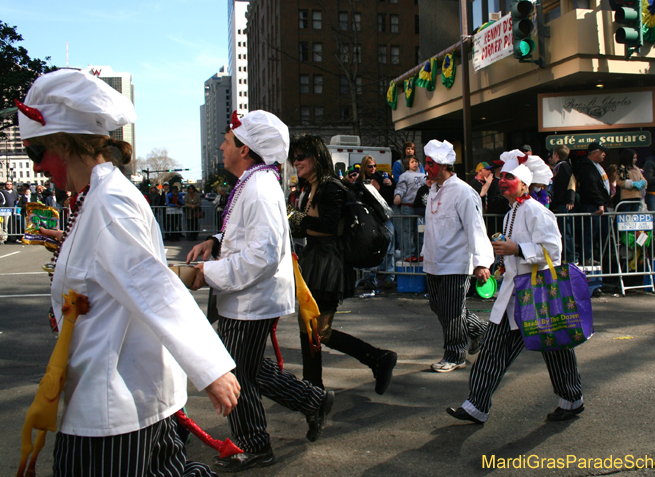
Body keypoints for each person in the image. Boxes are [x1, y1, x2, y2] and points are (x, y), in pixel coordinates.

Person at [18, 68, 239, 474]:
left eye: (36, 153)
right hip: (121, 395)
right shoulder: (98, 198)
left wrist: (211, 368)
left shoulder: (108, 203)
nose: (36, 168)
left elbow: (155, 287)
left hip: (114, 401)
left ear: (65, 144)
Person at [188, 112, 334, 471]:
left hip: (251, 299)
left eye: (228, 140)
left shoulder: (259, 187)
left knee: (235, 372)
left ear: (246, 148)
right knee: (248, 368)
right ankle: (313, 400)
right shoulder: (255, 182)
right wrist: (216, 241)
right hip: (248, 297)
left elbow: (262, 254)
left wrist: (207, 273)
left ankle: (255, 445)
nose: (222, 145)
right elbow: (249, 236)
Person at [446, 149, 584, 424]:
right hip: (512, 296)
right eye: (502, 177)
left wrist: (518, 249)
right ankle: (476, 405)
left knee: (556, 349)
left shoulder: (536, 211)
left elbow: (552, 251)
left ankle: (571, 400)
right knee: (493, 350)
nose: (503, 181)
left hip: (537, 296)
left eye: (509, 177)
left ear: (523, 183)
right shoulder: (512, 212)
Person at [288, 134, 398, 393]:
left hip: (328, 266)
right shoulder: (310, 188)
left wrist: (294, 217)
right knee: (311, 329)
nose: (296, 162)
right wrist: (297, 221)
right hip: (315, 262)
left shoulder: (330, 187)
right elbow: (308, 230)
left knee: (317, 331)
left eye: (300, 157)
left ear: (316, 158)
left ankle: (317, 387)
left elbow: (328, 226)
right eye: (294, 158)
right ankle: (315, 387)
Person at [421, 139, 493, 373]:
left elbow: (476, 227)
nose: (426, 167)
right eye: (426, 162)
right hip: (434, 261)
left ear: (443, 165)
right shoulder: (434, 190)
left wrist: (481, 262)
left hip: (456, 262)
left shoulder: (463, 191)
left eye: (430, 163)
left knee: (452, 312)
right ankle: (480, 331)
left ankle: (455, 354)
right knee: (438, 305)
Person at [362, 154, 397, 287]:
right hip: (370, 219)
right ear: (365, 167)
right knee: (371, 249)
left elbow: (391, 193)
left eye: (374, 166)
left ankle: (390, 276)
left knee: (389, 247)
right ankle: (370, 277)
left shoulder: (381, 176)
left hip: (384, 217)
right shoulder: (362, 180)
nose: (373, 168)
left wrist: (390, 184)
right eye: (370, 166)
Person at [574, 142, 611, 264]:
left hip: (599, 204)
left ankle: (601, 258)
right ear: (594, 153)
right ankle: (588, 258)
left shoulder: (596, 166)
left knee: (601, 233)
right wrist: (600, 202)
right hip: (591, 205)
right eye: (602, 152)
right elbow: (591, 186)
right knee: (589, 233)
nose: (604, 154)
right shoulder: (586, 167)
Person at [394, 156, 426, 260]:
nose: (415, 163)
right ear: (408, 164)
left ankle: (420, 253)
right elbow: (401, 187)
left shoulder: (424, 175)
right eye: (412, 162)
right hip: (408, 206)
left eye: (416, 161)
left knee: (421, 232)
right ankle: (409, 255)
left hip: (421, 208)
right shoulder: (404, 175)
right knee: (408, 232)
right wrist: (398, 195)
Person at [550, 145, 576, 263]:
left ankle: (570, 257)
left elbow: (571, 182)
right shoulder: (559, 167)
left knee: (566, 231)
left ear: (556, 154)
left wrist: (570, 199)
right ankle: (566, 256)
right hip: (560, 203)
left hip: (564, 204)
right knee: (562, 231)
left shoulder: (564, 166)